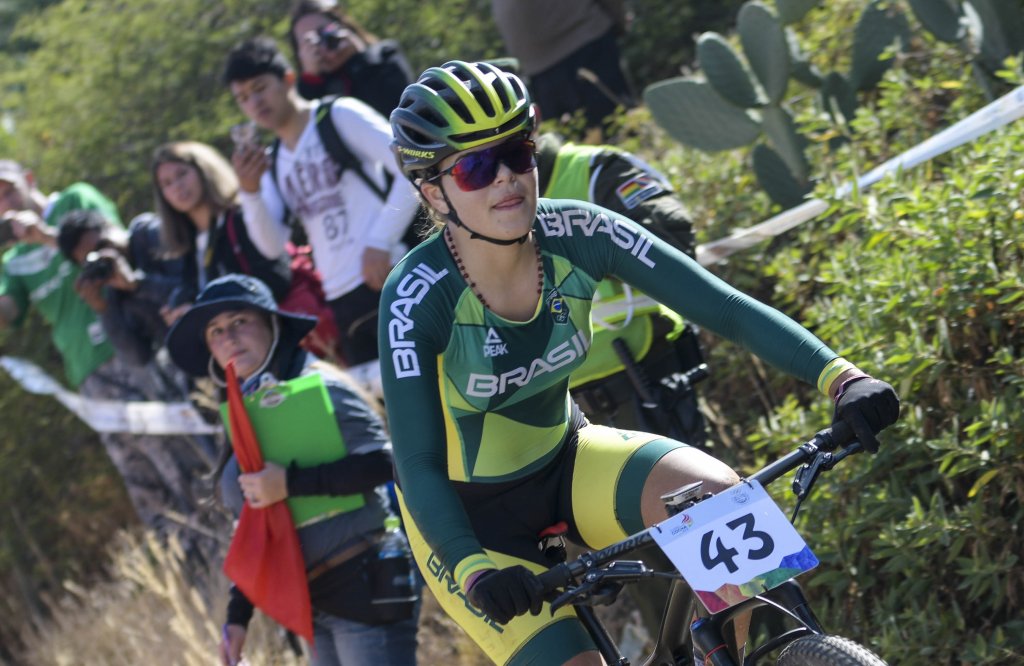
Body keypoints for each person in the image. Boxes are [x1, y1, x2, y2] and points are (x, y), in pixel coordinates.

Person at [381, 61, 900, 664]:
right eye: (475, 167)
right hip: (469, 521)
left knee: (722, 499)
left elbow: (723, 308)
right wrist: (472, 570)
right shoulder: (416, 297)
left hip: (569, 462)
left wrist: (842, 377)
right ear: (432, 192)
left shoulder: (580, 231)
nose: (506, 178)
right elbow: (418, 463)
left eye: (517, 153)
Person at [164, 273, 420, 666]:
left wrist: (290, 483)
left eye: (239, 321)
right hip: (309, 603)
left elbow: (386, 463)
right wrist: (237, 618)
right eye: (215, 331)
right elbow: (254, 523)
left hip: (365, 584)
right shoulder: (242, 412)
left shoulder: (320, 383)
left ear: (273, 324)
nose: (229, 338)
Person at [0, 160, 209, 540]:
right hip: (89, 378)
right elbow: (7, 312)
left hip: (135, 350)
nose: (5, 202)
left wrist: (44, 236)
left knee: (184, 457)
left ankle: (232, 545)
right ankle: (193, 564)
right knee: (147, 485)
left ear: (29, 179)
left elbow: (112, 246)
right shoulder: (11, 262)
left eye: (9, 189)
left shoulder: (74, 200)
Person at [224, 36, 420, 366]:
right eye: (243, 98)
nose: (255, 103)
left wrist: (380, 241)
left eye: (260, 88)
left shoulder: (339, 114)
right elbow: (271, 247)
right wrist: (249, 191)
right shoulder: (273, 161)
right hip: (339, 297)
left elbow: (412, 165)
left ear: (288, 79)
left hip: (391, 276)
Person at [151, 141, 292, 327]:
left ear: (204, 170)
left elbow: (277, 281)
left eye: (182, 174)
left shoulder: (242, 218)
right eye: (166, 183)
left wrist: (204, 311)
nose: (177, 186)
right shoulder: (187, 246)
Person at [491, 0, 634, 138]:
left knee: (573, 140)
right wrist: (620, 20)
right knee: (617, 127)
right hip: (587, 43)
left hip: (540, 70)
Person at [288, 0, 412, 117]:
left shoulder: (384, 54)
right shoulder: (304, 94)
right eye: (308, 42)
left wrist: (360, 57)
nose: (319, 45)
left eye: (322, 32)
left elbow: (399, 106)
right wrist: (310, 80)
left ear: (341, 27)